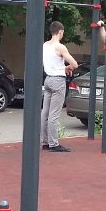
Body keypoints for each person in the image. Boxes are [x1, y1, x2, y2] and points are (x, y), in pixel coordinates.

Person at [41, 20, 79, 153]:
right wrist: (67, 67)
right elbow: (74, 64)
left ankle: (45, 141)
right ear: (60, 32)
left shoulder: (45, 45)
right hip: (58, 81)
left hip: (48, 80)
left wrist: (62, 68)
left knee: (45, 112)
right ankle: (53, 143)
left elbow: (52, 63)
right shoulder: (60, 47)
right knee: (54, 114)